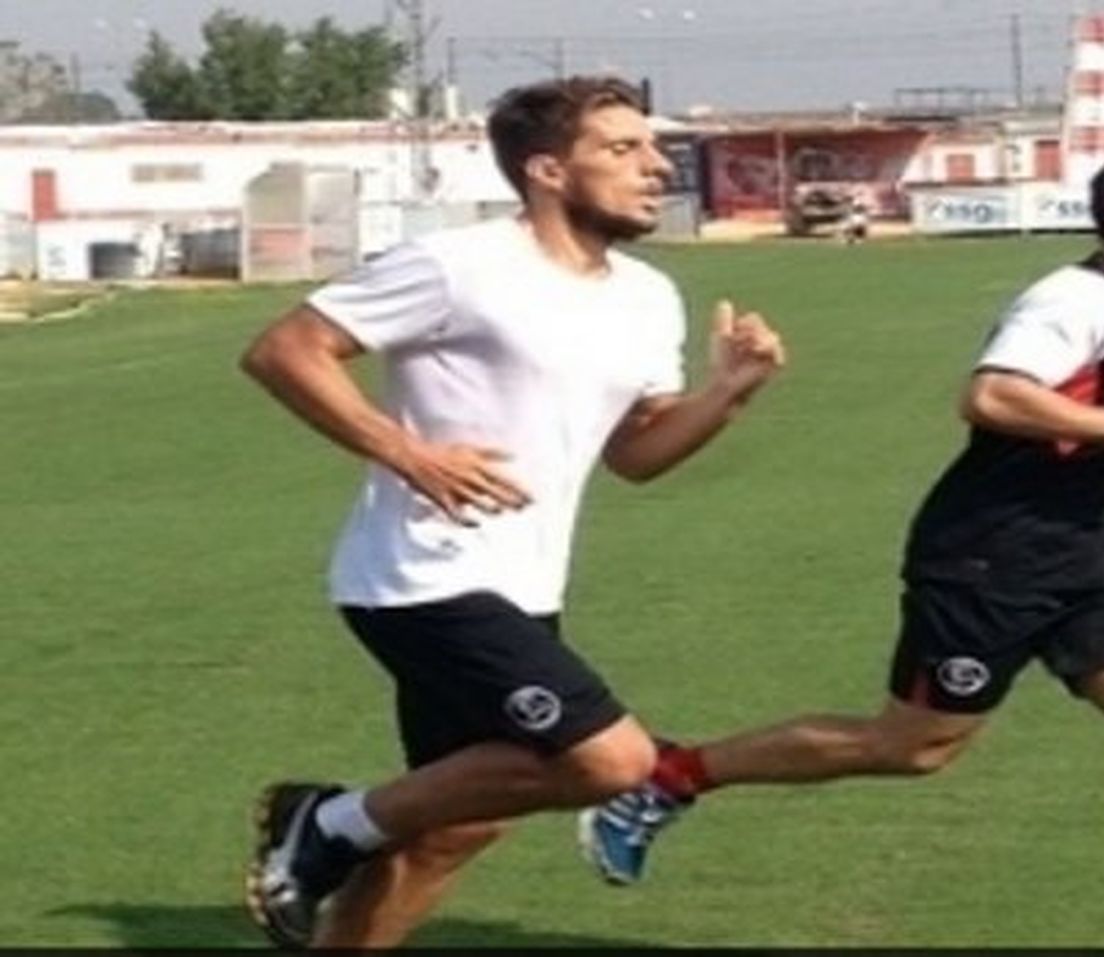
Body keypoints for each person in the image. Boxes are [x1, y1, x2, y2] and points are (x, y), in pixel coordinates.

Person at [578, 148, 1104, 950]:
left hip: (1088, 554)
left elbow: (1062, 410)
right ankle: (669, 777)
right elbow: (993, 396)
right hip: (990, 558)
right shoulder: (1079, 296)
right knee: (911, 746)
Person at [239, 75, 785, 949]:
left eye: (653, 148)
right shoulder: (458, 265)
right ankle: (326, 824)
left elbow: (638, 453)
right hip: (420, 575)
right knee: (614, 761)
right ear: (548, 170)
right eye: (623, 148)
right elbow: (286, 348)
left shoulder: (647, 294)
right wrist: (407, 451)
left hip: (525, 582)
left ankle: (340, 855)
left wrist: (729, 392)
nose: (656, 166)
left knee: (456, 827)